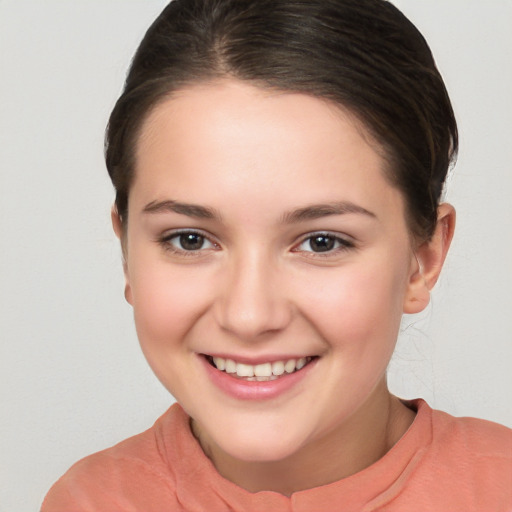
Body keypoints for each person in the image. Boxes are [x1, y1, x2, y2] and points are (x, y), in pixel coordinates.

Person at [41, 0, 512, 510]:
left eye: (322, 242)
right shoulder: (88, 501)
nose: (249, 315)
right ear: (127, 253)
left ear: (424, 258)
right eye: (190, 239)